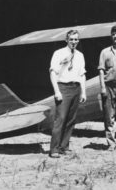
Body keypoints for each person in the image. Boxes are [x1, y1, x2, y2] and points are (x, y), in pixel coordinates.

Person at [48, 30, 87, 158]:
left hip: (75, 88)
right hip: (63, 87)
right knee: (61, 119)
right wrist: (57, 91)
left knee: (71, 120)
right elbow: (53, 73)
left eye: (76, 39)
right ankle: (54, 149)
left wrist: (83, 92)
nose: (74, 42)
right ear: (66, 40)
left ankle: (64, 147)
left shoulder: (80, 55)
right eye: (71, 39)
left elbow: (82, 75)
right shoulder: (58, 53)